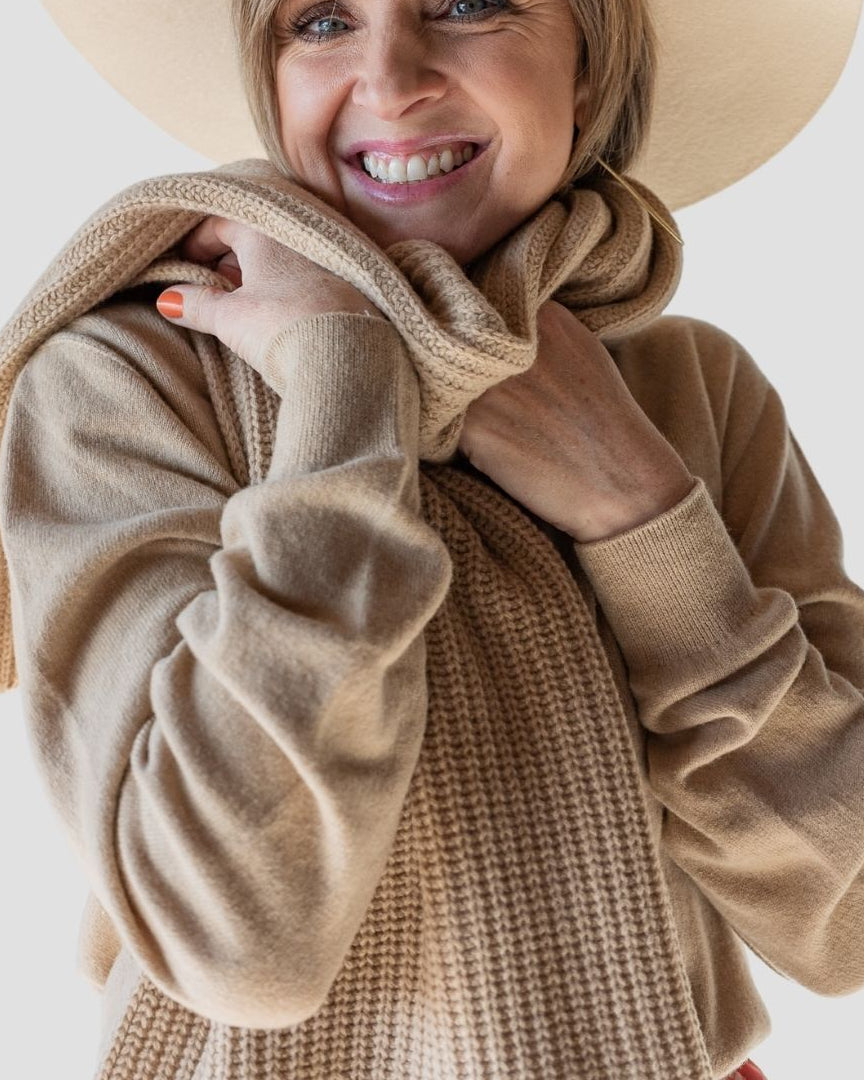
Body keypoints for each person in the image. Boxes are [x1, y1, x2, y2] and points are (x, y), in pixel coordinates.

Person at [0, 0, 861, 1078]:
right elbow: (231, 938)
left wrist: (640, 512)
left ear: (588, 69)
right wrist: (341, 389)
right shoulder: (125, 382)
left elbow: (846, 921)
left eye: (465, 2)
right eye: (319, 20)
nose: (391, 77)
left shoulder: (693, 393)